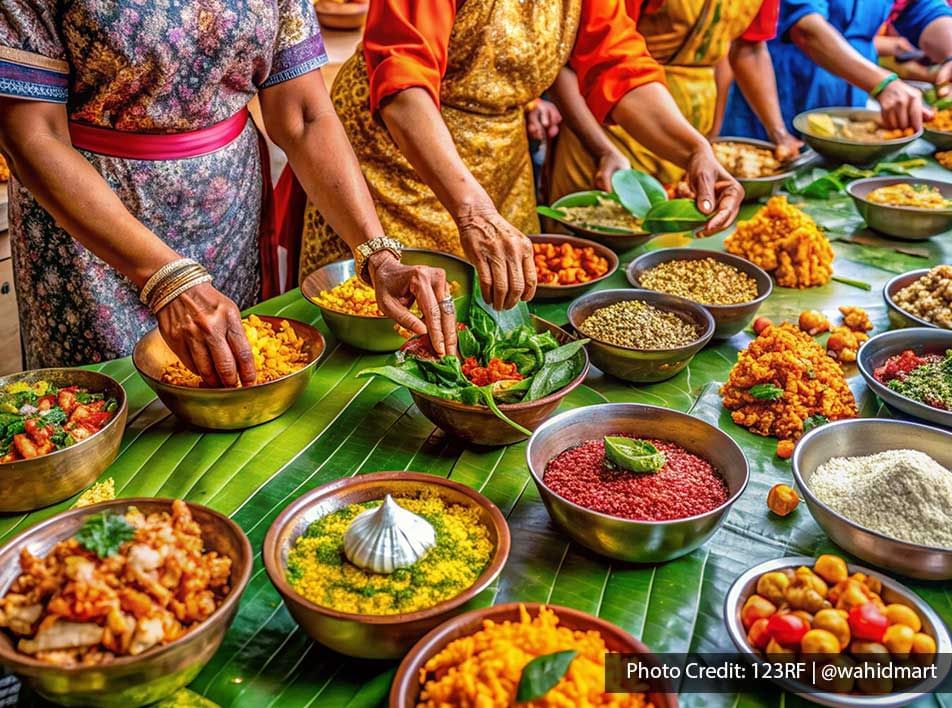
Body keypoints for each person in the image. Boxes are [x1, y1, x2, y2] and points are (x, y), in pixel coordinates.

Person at [0, 0, 459, 385]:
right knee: (114, 415)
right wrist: (168, 279)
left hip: (227, 218)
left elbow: (302, 115)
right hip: (89, 233)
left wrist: (377, 254)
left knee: (234, 382)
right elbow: (32, 137)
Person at [291, 0, 743, 313]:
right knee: (390, 309)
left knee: (496, 315)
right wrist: (473, 210)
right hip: (395, 154)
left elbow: (618, 64)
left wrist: (694, 149)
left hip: (499, 158)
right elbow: (404, 82)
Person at [548, 0, 798, 197]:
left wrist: (706, 143)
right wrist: (602, 149)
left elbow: (741, 50)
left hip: (688, 126)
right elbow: (580, 58)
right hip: (612, 124)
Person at [723, 0, 952, 137]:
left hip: (850, 107)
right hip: (778, 102)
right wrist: (883, 84)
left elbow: (921, 10)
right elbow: (806, 28)